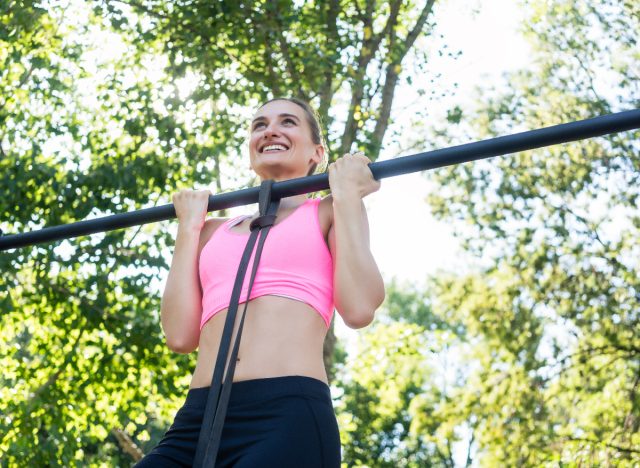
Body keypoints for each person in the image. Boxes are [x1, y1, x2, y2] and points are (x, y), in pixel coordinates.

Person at [135, 97, 385, 467]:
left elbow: (360, 308)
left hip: (286, 415)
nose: (270, 130)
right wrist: (187, 228)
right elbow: (179, 336)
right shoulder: (209, 231)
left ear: (317, 152)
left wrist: (347, 194)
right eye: (259, 125)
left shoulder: (328, 212)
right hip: (197, 419)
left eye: (287, 122)